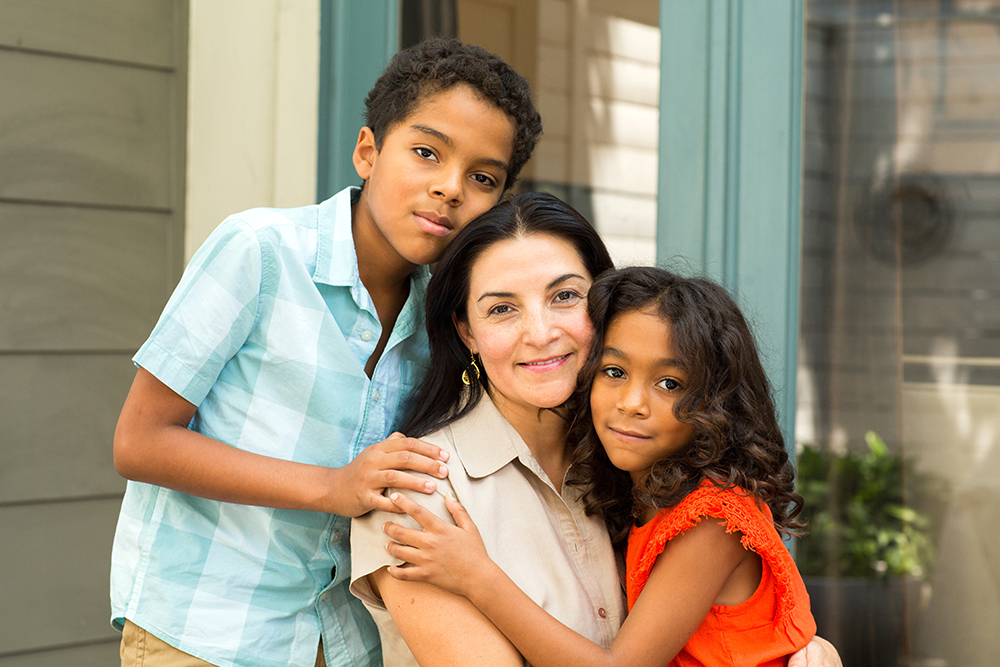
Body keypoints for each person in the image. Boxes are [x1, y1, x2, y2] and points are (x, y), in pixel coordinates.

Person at [109, 38, 542, 667]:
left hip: (346, 643)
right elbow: (140, 441)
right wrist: (332, 487)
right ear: (369, 152)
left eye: (482, 178)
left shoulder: (450, 317)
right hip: (207, 632)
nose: (450, 188)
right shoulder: (260, 250)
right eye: (426, 153)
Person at [350, 199, 839, 667]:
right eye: (502, 308)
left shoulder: (633, 468)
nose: (540, 333)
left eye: (564, 296)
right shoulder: (418, 493)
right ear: (467, 333)